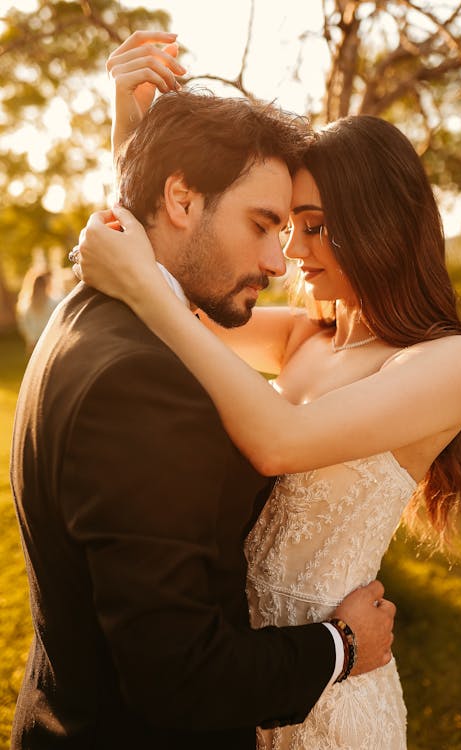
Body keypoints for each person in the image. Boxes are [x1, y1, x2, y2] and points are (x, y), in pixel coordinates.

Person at [72, 37, 461, 749]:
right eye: (289, 225)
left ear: (382, 224)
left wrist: (147, 281)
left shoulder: (445, 362)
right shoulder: (308, 333)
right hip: (245, 678)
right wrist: (132, 127)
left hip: (336, 700)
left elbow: (277, 441)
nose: (292, 253)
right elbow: (164, 288)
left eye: (316, 227)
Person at [9, 36, 396, 750]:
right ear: (181, 199)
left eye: (291, 231)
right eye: (262, 225)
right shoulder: (144, 383)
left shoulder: (86, 313)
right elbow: (180, 678)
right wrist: (342, 646)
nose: (278, 261)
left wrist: (130, 128)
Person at [16, 267, 60, 353]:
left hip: (46, 340)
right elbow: (25, 325)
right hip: (40, 341)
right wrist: (32, 340)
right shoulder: (26, 305)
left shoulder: (53, 302)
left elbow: (24, 325)